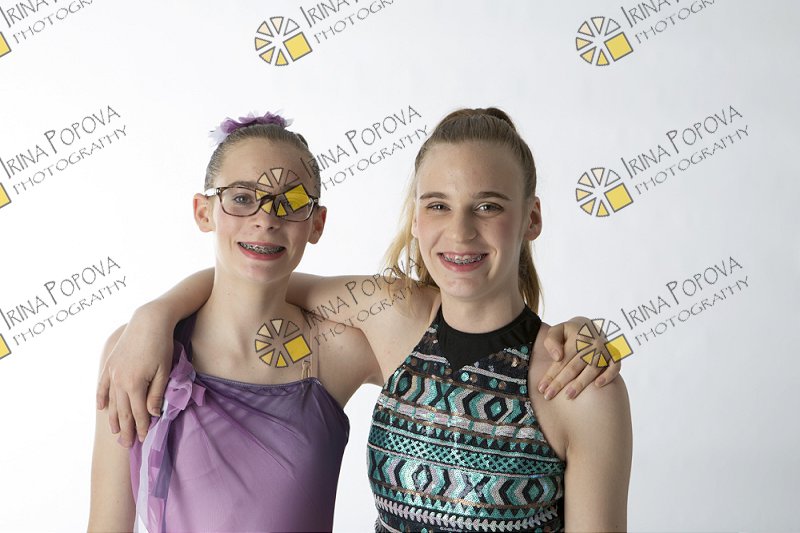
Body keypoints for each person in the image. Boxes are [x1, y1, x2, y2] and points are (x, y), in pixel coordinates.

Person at [95, 109, 629, 531]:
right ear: (416, 218)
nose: (461, 231)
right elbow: (256, 281)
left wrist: (578, 329)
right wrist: (153, 316)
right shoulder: (395, 320)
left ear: (532, 217)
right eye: (438, 205)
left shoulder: (573, 382)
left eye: (488, 206)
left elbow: (268, 275)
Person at [89, 115, 382, 531]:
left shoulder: (339, 349)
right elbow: (106, 526)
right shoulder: (139, 351)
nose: (266, 219)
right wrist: (155, 316)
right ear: (203, 211)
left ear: (317, 223)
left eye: (291, 202)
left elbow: (418, 310)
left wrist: (160, 309)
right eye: (242, 198)